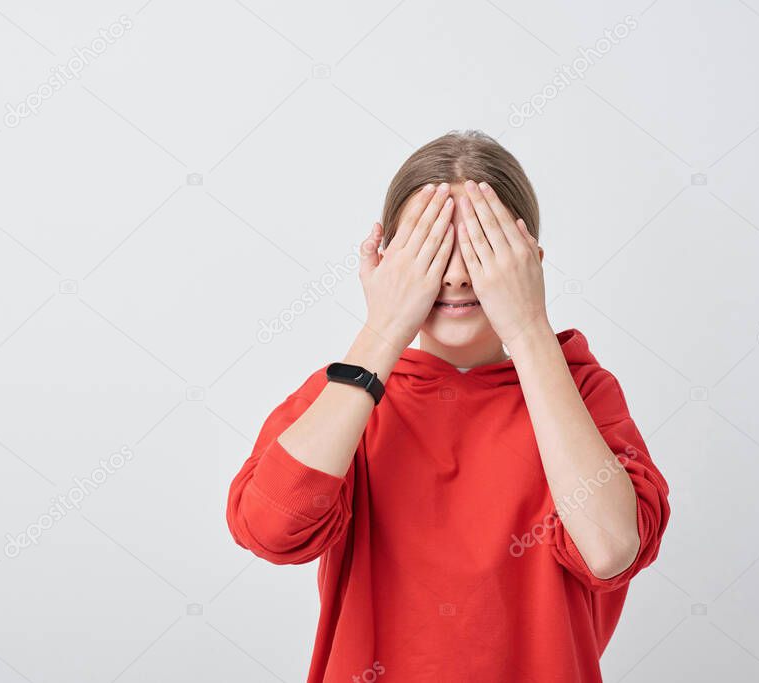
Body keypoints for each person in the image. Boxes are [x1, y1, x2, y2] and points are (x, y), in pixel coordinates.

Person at [225, 130, 670, 682]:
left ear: (530, 259)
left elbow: (609, 550)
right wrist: (383, 327)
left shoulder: (582, 393)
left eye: (484, 247)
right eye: (431, 249)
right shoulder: (346, 399)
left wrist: (529, 327)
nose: (457, 274)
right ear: (388, 261)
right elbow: (270, 530)